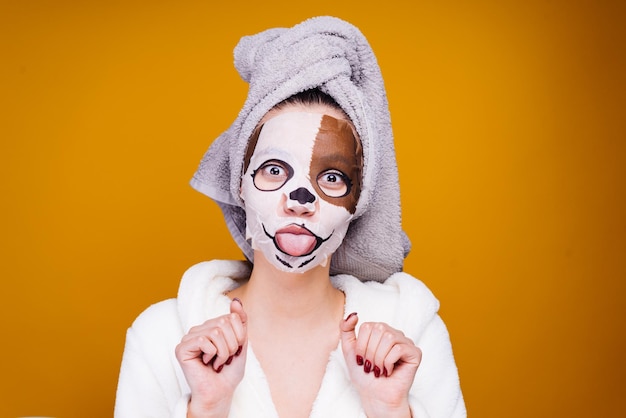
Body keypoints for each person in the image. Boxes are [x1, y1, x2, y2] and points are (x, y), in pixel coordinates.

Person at [114, 16, 465, 418]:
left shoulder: (413, 336)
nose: (300, 199)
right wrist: (207, 408)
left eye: (331, 177)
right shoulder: (160, 337)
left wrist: (389, 409)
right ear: (240, 185)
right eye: (275, 170)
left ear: (358, 202)